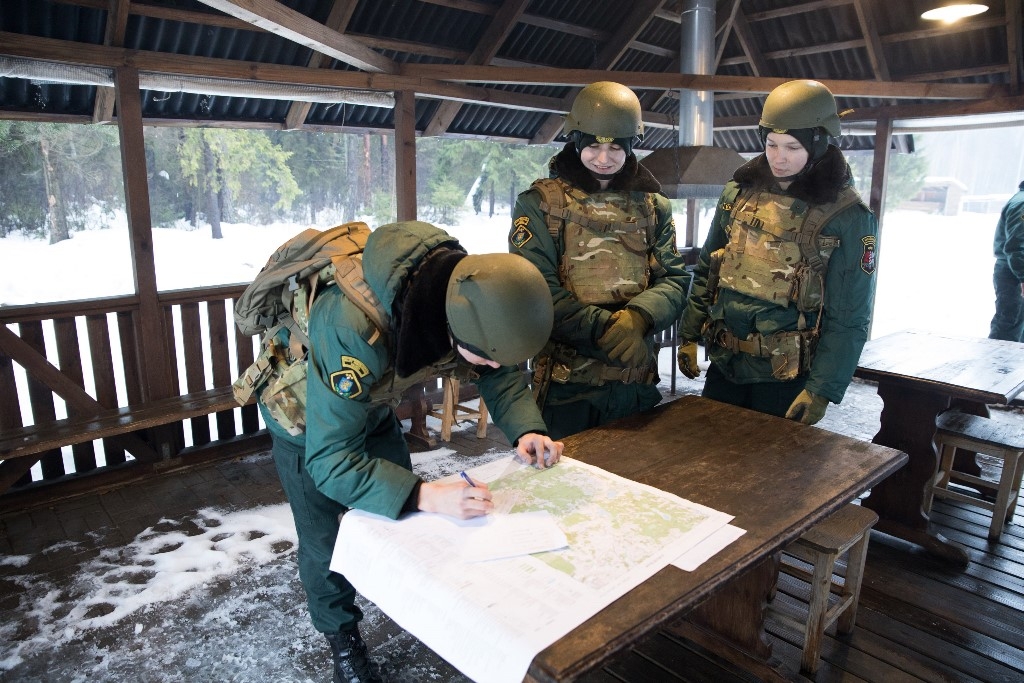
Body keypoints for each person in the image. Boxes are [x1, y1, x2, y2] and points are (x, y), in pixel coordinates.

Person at [259, 221, 564, 683]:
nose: (494, 366)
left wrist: (526, 429)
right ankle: (343, 644)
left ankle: (409, 608)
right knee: (326, 543)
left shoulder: (464, 295)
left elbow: (496, 372)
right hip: (305, 422)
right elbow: (331, 461)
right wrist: (423, 494)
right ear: (453, 326)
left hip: (371, 402)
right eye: (487, 356)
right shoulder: (353, 327)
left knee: (403, 521)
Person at [677, 79, 877, 426]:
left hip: (787, 379)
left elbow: (849, 315)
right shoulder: (738, 193)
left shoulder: (847, 217)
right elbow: (711, 267)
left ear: (819, 143)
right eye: (771, 144)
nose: (778, 158)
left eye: (792, 147)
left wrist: (821, 390)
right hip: (726, 366)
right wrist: (689, 335)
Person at [508, 81, 690, 440]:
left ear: (631, 146)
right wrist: (606, 331)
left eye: (615, 148)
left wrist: (639, 318)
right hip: (566, 389)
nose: (603, 158)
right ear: (576, 140)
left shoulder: (653, 206)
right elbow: (537, 290)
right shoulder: (541, 205)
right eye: (593, 145)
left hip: (634, 386)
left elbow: (673, 279)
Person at [988, 180, 1024, 342]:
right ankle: (998, 367)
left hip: (1015, 272)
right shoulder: (1022, 203)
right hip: (1014, 275)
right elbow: (1017, 245)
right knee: (1009, 328)